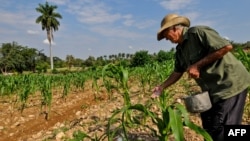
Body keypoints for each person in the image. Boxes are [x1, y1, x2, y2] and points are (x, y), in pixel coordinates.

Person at [152, 13, 250, 141]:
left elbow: (226, 47)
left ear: (174, 28)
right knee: (210, 126)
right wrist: (161, 87)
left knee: (226, 129)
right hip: (211, 90)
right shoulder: (180, 50)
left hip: (230, 83)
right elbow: (177, 72)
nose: (166, 39)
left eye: (166, 35)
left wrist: (197, 65)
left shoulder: (198, 33)